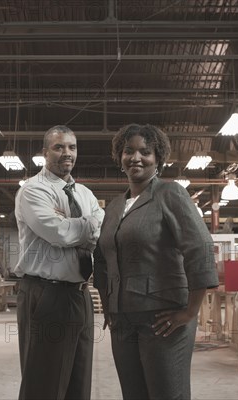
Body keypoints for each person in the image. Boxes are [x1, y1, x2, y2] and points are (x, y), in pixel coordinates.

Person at [93, 123, 218, 399]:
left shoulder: (170, 194)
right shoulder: (114, 207)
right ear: (119, 156)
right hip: (122, 320)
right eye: (129, 151)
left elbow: (201, 247)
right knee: (133, 394)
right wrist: (108, 303)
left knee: (166, 393)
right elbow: (101, 258)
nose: (136, 158)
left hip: (162, 318)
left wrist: (190, 311)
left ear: (158, 158)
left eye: (145, 152)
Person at [14, 125, 104, 400]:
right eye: (59, 147)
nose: (67, 153)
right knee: (44, 385)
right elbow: (58, 232)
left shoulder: (85, 194)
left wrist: (74, 226)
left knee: (79, 382)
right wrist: (84, 227)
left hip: (79, 294)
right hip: (46, 293)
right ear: (45, 153)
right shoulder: (33, 191)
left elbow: (100, 231)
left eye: (72, 147)